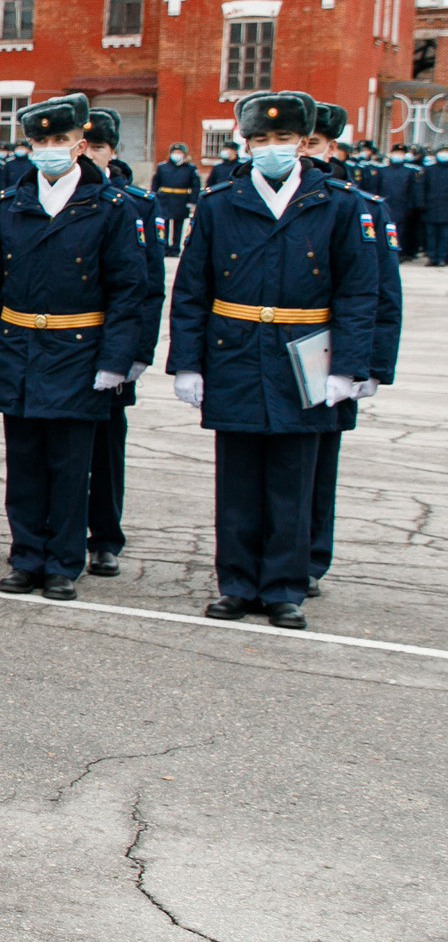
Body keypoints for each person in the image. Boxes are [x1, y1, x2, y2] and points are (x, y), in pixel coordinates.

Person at [169, 90, 377, 629]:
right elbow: (192, 288)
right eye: (260, 140)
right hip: (235, 350)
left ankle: (284, 588)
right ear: (245, 144)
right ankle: (236, 584)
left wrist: (347, 368)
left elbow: (358, 292)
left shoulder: (338, 202)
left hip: (303, 356)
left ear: (304, 143)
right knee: (237, 480)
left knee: (292, 479)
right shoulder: (221, 202)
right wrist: (188, 362)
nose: (271, 149)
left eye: (282, 139)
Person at [0, 94, 144, 601]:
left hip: (79, 348)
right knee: (24, 462)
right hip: (20, 345)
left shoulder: (110, 206)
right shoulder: (10, 205)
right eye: (40, 141)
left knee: (70, 464)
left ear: (80, 145)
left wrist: (116, 360)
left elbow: (127, 289)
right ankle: (26, 555)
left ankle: (64, 561)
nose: (49, 149)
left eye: (60, 141)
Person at [305, 103, 401, 596]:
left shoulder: (363, 206)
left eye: (315, 145)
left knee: (319, 463)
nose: (306, 155)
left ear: (332, 148)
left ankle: (311, 558)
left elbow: (382, 294)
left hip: (333, 355)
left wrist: (372, 366)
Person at [82, 111, 164, 578]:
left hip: (112, 344)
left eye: (97, 147)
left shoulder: (135, 204)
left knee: (107, 447)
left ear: (112, 151)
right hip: (65, 344)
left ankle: (105, 537)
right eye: (83, 146)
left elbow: (147, 287)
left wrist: (137, 353)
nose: (88, 155)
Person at [152, 142, 200, 252]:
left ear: (184, 154)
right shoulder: (162, 167)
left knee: (178, 225)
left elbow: (195, 186)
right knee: (164, 224)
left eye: (179, 152)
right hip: (165, 199)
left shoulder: (190, 168)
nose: (176, 154)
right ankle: (164, 247)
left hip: (181, 199)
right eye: (174, 152)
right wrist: (154, 197)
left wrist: (192, 201)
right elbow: (155, 183)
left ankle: (175, 248)